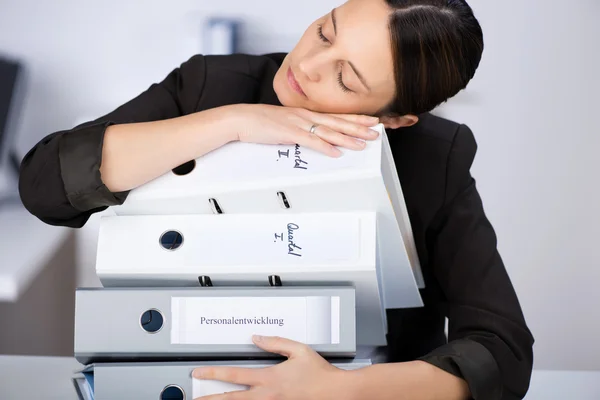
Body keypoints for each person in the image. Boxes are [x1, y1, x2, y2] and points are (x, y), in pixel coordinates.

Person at [18, 0, 534, 399]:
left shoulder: (432, 158)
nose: (308, 66)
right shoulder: (210, 86)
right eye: (324, 31)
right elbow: (44, 186)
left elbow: (502, 351)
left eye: (345, 78)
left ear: (394, 118)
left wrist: (341, 389)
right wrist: (231, 121)